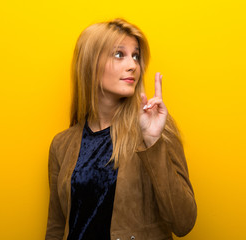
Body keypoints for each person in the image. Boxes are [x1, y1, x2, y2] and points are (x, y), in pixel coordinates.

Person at [45, 18, 197, 240]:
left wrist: (153, 142)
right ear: (90, 63)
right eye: (120, 54)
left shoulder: (155, 127)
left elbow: (183, 223)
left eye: (136, 56)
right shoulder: (62, 144)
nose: (133, 65)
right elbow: (56, 227)